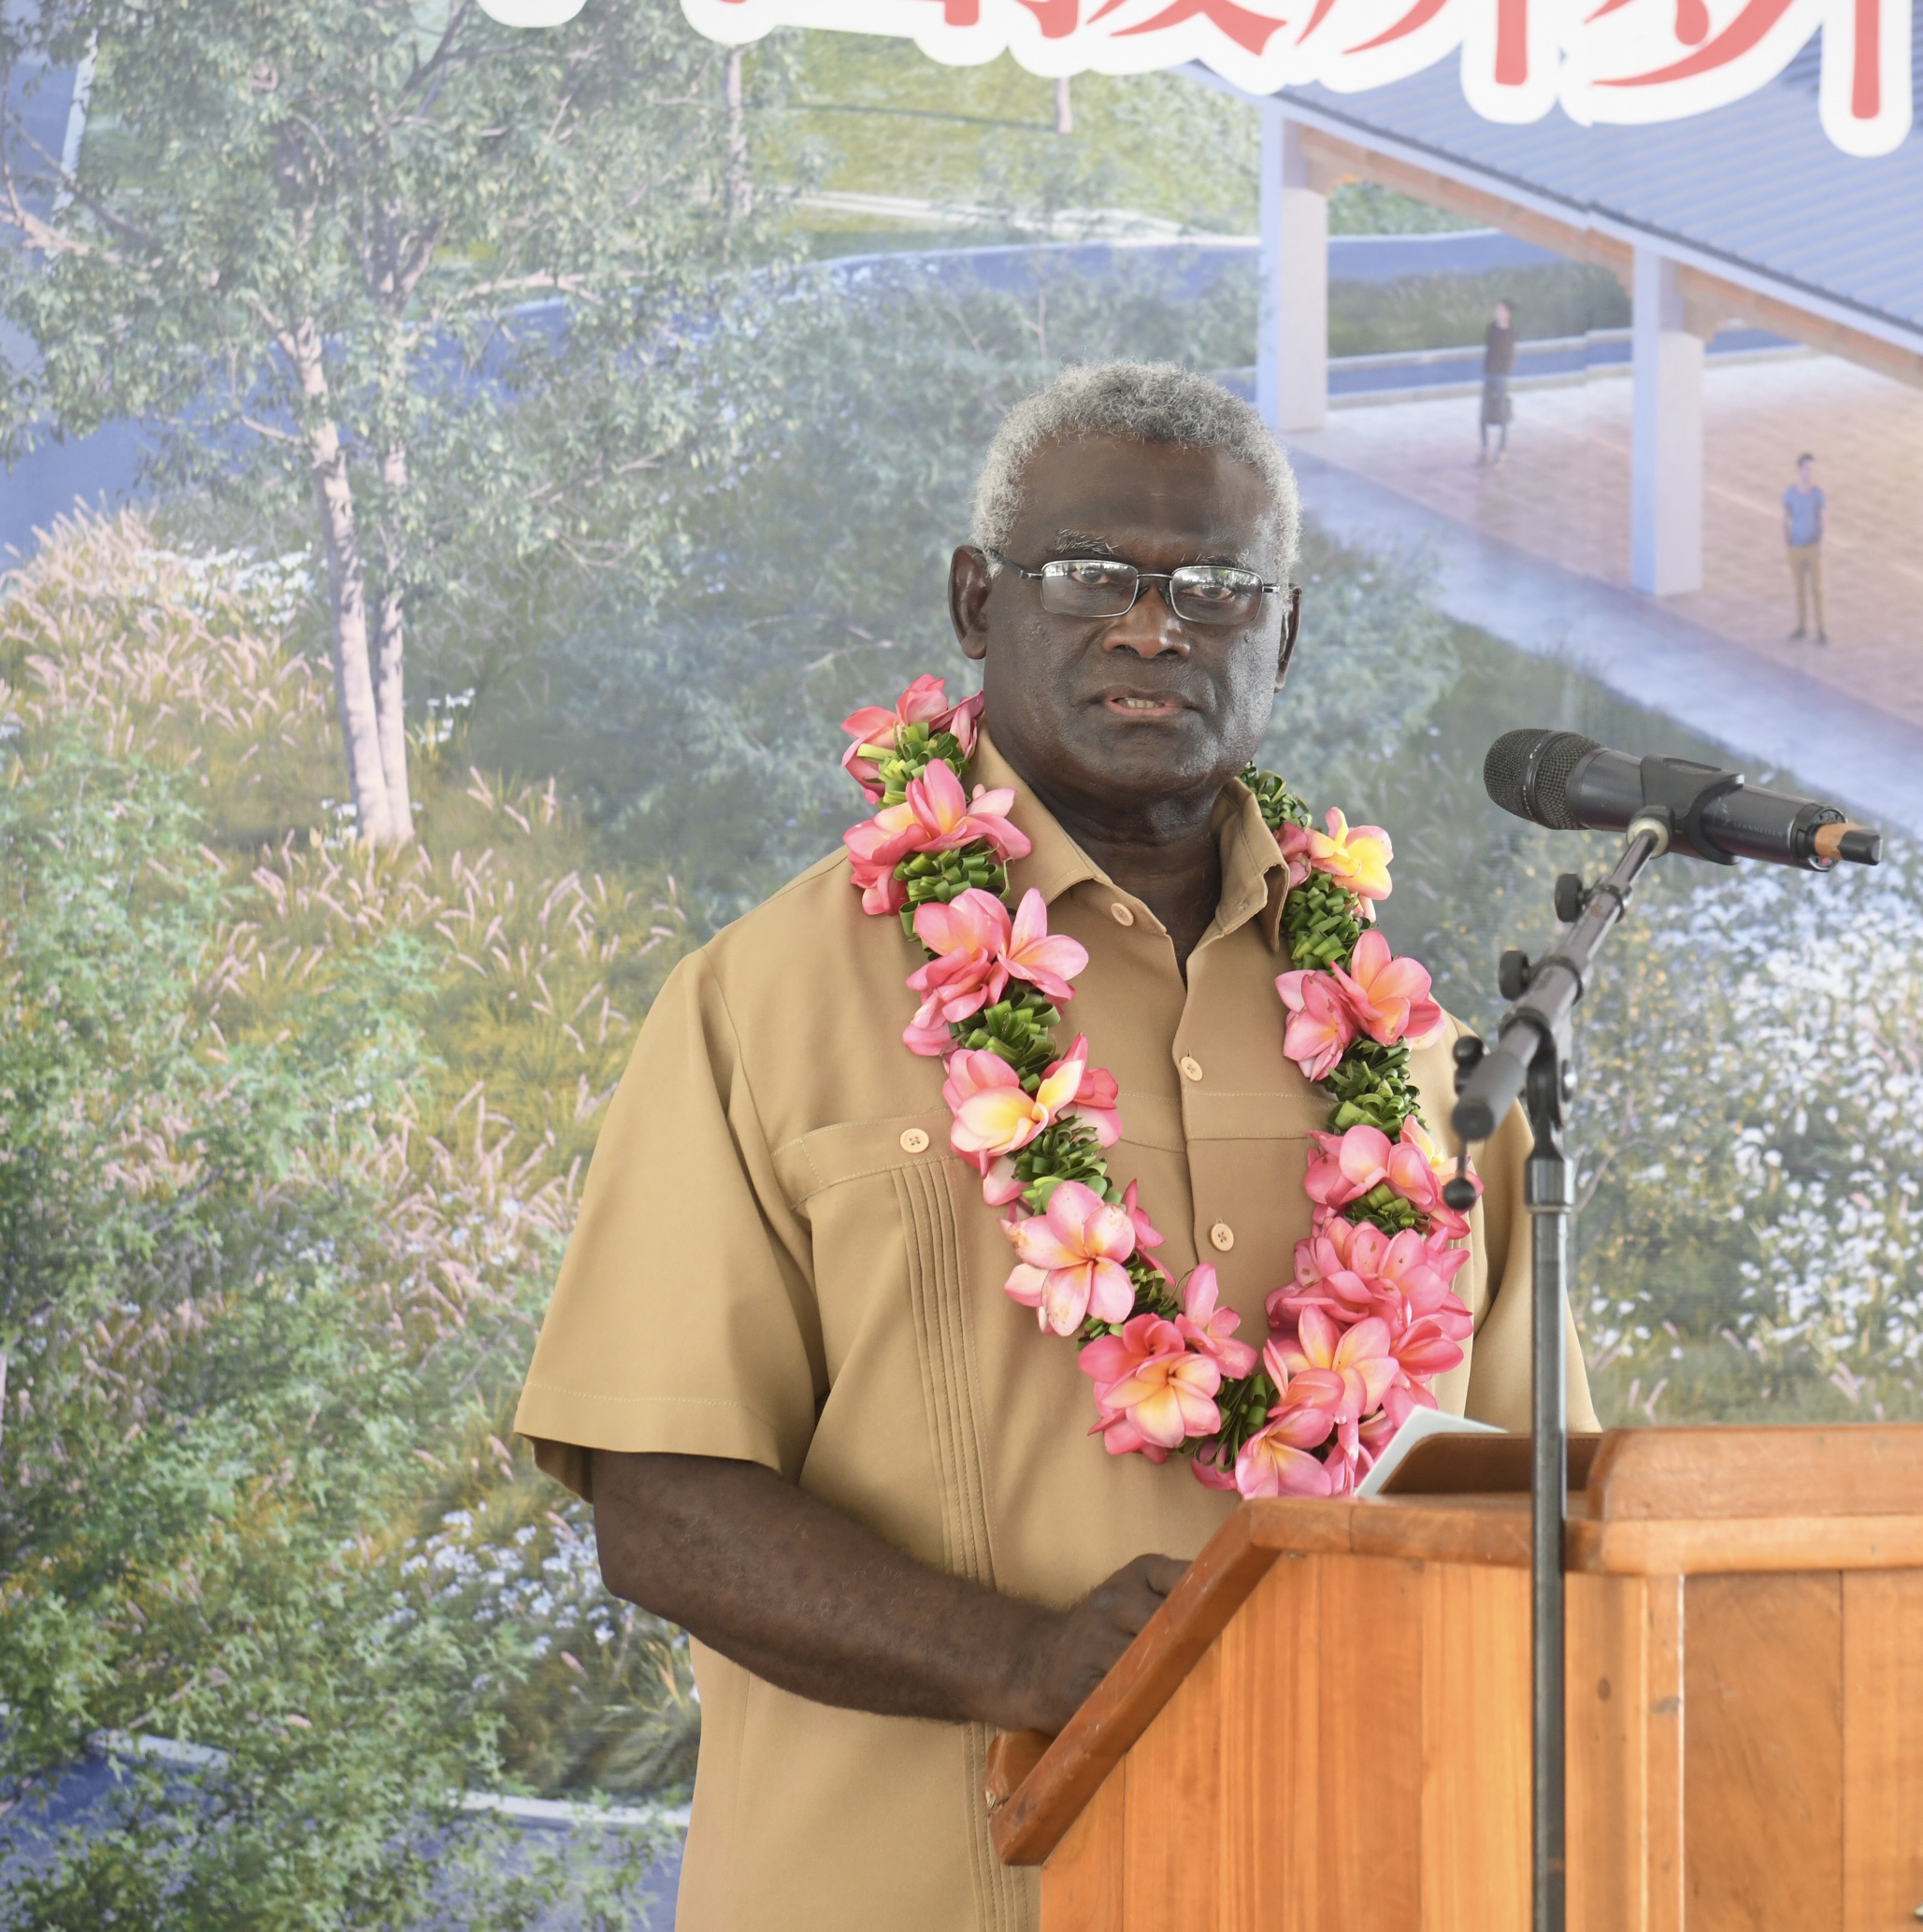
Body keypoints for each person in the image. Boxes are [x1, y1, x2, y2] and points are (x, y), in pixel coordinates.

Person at [510, 362, 1594, 1930]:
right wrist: (1019, 1660)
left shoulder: (1413, 1053)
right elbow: (664, 1502)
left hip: (1337, 1876)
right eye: (1096, 576)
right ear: (977, 597)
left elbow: (1525, 1507)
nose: (1155, 628)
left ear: (1280, 633)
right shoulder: (761, 1003)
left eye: (1219, 588)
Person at [1782, 452, 1827, 643]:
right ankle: (1801, 626)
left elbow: (1824, 518)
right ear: (1799, 470)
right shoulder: (1791, 493)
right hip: (1796, 547)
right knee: (1799, 588)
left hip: (1812, 546)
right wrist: (1787, 542)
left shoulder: (1817, 493)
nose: (1810, 472)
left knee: (1816, 589)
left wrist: (1822, 542)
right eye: (1807, 468)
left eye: (1812, 469)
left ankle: (1821, 629)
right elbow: (1785, 517)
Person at [1480, 299, 1516, 461]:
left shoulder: (1511, 333)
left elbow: (1510, 354)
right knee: (1484, 412)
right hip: (1489, 374)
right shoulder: (1491, 330)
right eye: (1497, 310)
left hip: (1501, 376)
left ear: (1507, 313)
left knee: (1502, 412)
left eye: (1501, 310)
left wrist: (1506, 371)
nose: (1498, 313)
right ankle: (1484, 447)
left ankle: (1502, 448)